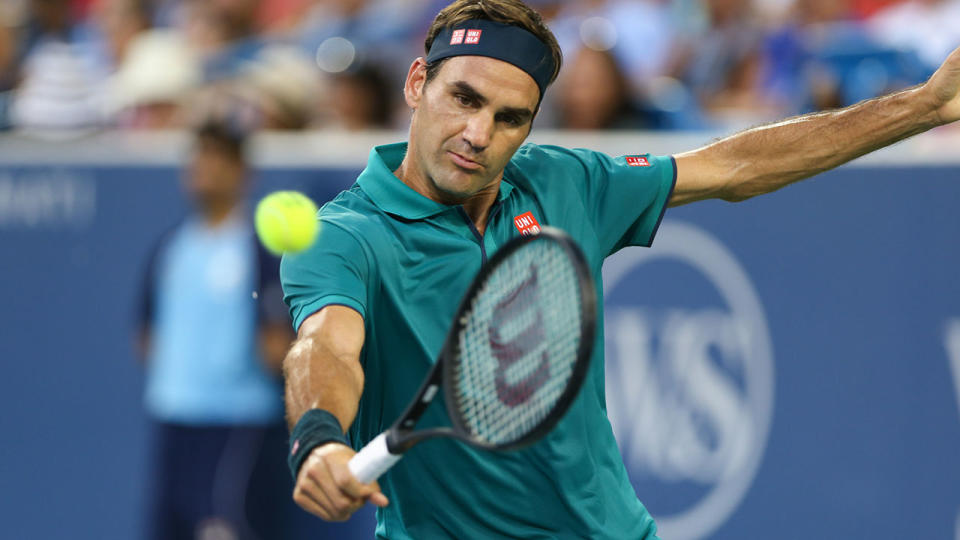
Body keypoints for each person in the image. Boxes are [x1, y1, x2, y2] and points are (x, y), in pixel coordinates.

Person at [279, 0, 960, 538]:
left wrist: (927, 106)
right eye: (464, 99)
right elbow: (327, 346)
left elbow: (736, 166)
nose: (480, 135)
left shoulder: (565, 183)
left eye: (510, 118)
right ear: (418, 82)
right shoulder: (344, 237)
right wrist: (319, 440)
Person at [137, 118, 296, 539]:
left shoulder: (259, 248)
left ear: (242, 172)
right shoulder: (169, 248)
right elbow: (148, 336)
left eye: (216, 157)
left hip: (236, 423)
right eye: (198, 156)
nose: (203, 167)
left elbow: (276, 346)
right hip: (174, 418)